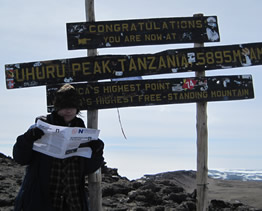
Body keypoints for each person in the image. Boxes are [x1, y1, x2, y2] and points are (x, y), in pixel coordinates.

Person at [13, 84, 104, 211]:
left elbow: (88, 168)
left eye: (72, 106)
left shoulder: (83, 132)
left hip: (73, 202)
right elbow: (20, 158)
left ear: (77, 108)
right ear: (56, 107)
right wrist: (27, 139)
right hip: (41, 201)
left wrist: (97, 152)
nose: (68, 110)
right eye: (64, 106)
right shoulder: (40, 126)